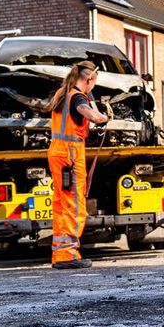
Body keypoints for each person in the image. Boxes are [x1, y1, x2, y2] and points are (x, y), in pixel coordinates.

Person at [47, 60, 109, 269]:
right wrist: (103, 117)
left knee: (61, 203)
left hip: (58, 152)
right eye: (94, 83)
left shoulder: (61, 93)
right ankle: (67, 255)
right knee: (74, 204)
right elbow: (89, 114)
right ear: (89, 79)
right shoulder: (77, 98)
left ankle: (61, 253)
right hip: (70, 156)